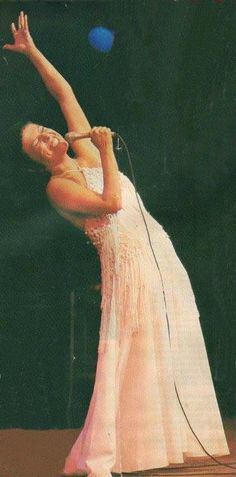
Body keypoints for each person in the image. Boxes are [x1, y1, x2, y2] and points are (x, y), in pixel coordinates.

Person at [4, 12, 230, 477]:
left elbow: (63, 92)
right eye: (38, 145)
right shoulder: (60, 187)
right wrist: (107, 150)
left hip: (156, 250)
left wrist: (33, 52)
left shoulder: (81, 149)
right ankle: (121, 452)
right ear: (39, 162)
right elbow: (108, 202)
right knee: (133, 348)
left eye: (44, 132)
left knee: (173, 337)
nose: (49, 138)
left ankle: (172, 443)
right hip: (127, 265)